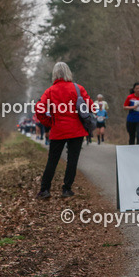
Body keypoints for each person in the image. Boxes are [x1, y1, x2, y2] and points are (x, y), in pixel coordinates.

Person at [34, 62, 92, 199]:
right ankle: (66, 189)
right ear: (68, 72)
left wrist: (49, 123)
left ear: (54, 74)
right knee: (72, 160)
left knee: (52, 161)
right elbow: (90, 106)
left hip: (58, 130)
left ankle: (45, 190)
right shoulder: (78, 89)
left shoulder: (50, 91)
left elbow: (39, 109)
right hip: (76, 130)